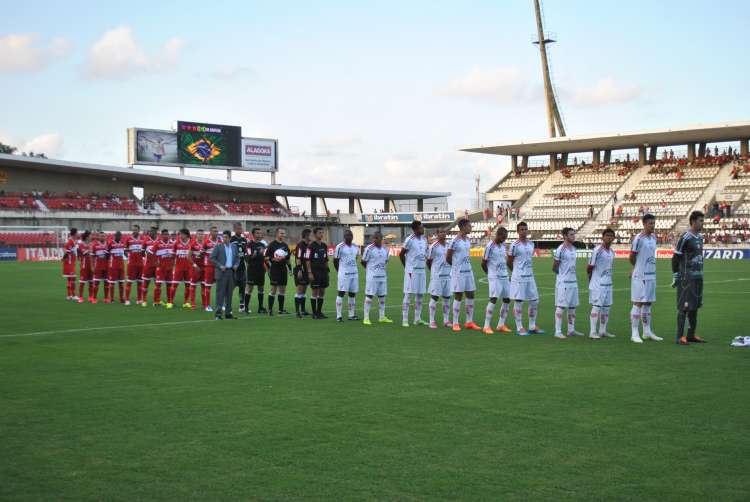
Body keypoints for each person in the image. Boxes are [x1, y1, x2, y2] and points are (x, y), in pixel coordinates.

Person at [673, 211, 707, 345]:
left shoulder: (700, 237)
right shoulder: (685, 237)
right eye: (700, 221)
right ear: (693, 221)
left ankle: (691, 335)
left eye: (703, 221)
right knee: (684, 307)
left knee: (695, 307)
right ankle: (679, 337)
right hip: (687, 277)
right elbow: (676, 256)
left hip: (698, 276)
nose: (702, 223)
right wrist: (676, 274)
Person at [629, 214, 663, 343]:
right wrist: (636, 267)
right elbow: (632, 256)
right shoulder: (638, 238)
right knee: (638, 303)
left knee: (648, 303)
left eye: (654, 223)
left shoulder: (654, 237)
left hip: (651, 274)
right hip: (640, 275)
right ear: (644, 224)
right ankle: (634, 333)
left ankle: (647, 331)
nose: (653, 225)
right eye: (650, 223)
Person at [507, 222, 543, 336]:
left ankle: (532, 326)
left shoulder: (531, 244)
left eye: (525, 229)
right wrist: (516, 273)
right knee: (519, 301)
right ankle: (519, 327)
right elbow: (509, 261)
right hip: (519, 277)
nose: (524, 231)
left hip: (530, 276)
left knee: (535, 300)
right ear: (518, 231)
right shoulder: (514, 245)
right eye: (521, 229)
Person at [446, 218, 481, 332]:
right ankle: (455, 322)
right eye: (469, 226)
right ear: (463, 227)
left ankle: (469, 321)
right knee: (458, 296)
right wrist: (455, 267)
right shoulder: (454, 241)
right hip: (458, 273)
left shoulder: (467, 240)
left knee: (471, 295)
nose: (470, 228)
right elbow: (448, 257)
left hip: (468, 271)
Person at [552, 228, 583, 339]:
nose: (573, 236)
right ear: (565, 236)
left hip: (573, 282)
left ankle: (571, 330)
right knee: (561, 306)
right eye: (571, 234)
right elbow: (554, 267)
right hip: (564, 283)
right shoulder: (561, 249)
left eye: (574, 234)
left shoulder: (573, 248)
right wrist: (561, 276)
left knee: (572, 306)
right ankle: (558, 331)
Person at [481, 226, 512, 334]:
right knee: (493, 299)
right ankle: (486, 326)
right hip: (495, 277)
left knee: (507, 299)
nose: (504, 239)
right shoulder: (490, 246)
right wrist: (490, 274)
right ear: (498, 235)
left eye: (506, 237)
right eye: (503, 237)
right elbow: (483, 263)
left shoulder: (503, 246)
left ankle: (501, 324)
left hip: (504, 276)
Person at [587, 228, 616, 339]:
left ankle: (603, 331)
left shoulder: (612, 252)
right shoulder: (597, 250)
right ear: (602, 237)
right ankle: (593, 332)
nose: (609, 237)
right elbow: (589, 267)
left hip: (608, 284)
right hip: (598, 284)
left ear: (613, 238)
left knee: (606, 307)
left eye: (611, 236)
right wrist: (591, 280)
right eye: (607, 235)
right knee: (597, 306)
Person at [399, 220, 428, 327]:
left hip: (421, 270)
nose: (423, 229)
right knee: (408, 294)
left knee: (420, 295)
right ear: (415, 229)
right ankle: (405, 320)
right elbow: (401, 254)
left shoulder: (424, 239)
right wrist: (407, 267)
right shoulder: (409, 240)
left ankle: (417, 318)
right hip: (412, 271)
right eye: (421, 227)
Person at [361, 231, 391, 325]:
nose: (374, 240)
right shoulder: (369, 249)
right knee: (369, 296)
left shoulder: (385, 249)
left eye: (376, 238)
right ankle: (366, 318)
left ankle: (382, 317)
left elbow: (385, 261)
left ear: (381, 239)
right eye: (373, 238)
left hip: (382, 276)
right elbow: (363, 261)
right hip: (372, 277)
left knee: (382, 297)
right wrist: (370, 270)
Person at [210, 230, 240, 320]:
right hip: (222, 272)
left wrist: (236, 265)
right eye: (223, 237)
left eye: (226, 237)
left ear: (230, 238)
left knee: (229, 294)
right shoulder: (218, 247)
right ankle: (218, 314)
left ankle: (228, 313)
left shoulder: (234, 247)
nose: (224, 239)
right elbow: (211, 258)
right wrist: (220, 266)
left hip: (231, 272)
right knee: (220, 294)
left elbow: (238, 258)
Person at [426, 228, 452, 329]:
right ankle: (431, 321)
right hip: (437, 276)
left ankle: (446, 320)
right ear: (437, 234)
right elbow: (429, 261)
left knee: (447, 298)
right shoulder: (433, 246)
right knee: (435, 297)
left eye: (444, 232)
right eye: (441, 232)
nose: (443, 234)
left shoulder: (449, 245)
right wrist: (434, 272)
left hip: (448, 275)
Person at [333, 229, 360, 322]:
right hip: (344, 274)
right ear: (344, 237)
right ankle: (339, 316)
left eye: (351, 235)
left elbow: (355, 258)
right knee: (341, 293)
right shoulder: (340, 247)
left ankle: (351, 315)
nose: (349, 237)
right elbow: (335, 260)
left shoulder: (356, 247)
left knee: (352, 294)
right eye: (347, 235)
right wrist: (339, 271)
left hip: (354, 273)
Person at [265, 228, 292, 315]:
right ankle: (270, 310)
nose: (283, 235)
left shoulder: (285, 245)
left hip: (283, 270)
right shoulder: (272, 245)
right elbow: (265, 258)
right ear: (277, 234)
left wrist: (290, 269)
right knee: (273, 290)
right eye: (281, 233)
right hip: (275, 269)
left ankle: (281, 310)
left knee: (282, 290)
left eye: (283, 233)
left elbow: (288, 259)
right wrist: (273, 259)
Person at [306, 227, 330, 319]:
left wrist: (327, 269)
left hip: (323, 271)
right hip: (315, 271)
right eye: (320, 233)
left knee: (322, 292)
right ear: (315, 234)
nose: (321, 234)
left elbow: (326, 258)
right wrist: (309, 272)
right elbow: (307, 260)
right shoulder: (311, 246)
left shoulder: (324, 245)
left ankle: (319, 312)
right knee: (315, 292)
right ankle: (314, 313)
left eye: (322, 233)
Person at [168, 228, 194, 309]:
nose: (180, 236)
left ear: (186, 235)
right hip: (178, 268)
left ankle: (185, 302)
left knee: (188, 285)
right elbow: (172, 256)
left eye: (181, 234)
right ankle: (170, 302)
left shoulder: (192, 242)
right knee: (174, 285)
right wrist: (172, 266)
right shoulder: (176, 243)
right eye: (179, 234)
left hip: (189, 268)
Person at [149, 229, 175, 307]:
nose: (166, 236)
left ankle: (169, 301)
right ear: (162, 235)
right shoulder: (157, 244)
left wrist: (173, 261)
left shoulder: (172, 244)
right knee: (158, 285)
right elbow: (150, 253)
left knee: (169, 285)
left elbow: (174, 254)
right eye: (165, 234)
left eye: (167, 234)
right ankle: (156, 301)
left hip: (169, 268)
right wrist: (155, 262)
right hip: (161, 268)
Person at [245, 227, 268, 314]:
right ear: (253, 234)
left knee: (261, 289)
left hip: (261, 270)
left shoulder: (263, 245)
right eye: (257, 233)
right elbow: (247, 259)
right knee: (249, 289)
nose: (259, 235)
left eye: (260, 233)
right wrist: (254, 255)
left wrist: (267, 268)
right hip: (252, 270)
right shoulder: (249, 245)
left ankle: (260, 307)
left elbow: (265, 258)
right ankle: (246, 308)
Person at [123, 225, 146, 306]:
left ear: (139, 230)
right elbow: (125, 250)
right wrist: (129, 256)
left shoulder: (143, 239)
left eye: (136, 230)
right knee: (129, 282)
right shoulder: (128, 239)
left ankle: (139, 299)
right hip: (132, 264)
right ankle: (127, 299)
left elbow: (145, 250)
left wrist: (143, 257)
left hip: (140, 263)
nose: (134, 231)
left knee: (140, 282)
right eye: (133, 230)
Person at [293, 229, 312, 317]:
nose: (311, 237)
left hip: (306, 271)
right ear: (306, 236)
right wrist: (299, 270)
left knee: (304, 290)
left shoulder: (308, 245)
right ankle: (297, 312)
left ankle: (303, 310)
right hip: (301, 270)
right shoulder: (301, 245)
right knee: (300, 290)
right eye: (310, 235)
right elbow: (298, 258)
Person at [230, 223, 249, 311]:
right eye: (238, 228)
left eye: (240, 229)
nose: (239, 230)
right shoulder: (231, 239)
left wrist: (247, 260)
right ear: (234, 229)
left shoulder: (244, 240)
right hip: (234, 267)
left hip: (242, 266)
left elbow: (245, 252)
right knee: (231, 286)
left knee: (242, 287)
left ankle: (242, 305)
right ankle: (226, 304)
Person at [200, 227, 220, 312]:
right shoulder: (206, 242)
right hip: (209, 267)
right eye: (214, 231)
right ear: (210, 232)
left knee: (220, 286)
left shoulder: (220, 242)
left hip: (218, 267)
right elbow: (201, 254)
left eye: (217, 231)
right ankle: (207, 305)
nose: (216, 233)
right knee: (208, 286)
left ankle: (220, 304)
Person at [139, 226, 159, 306]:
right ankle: (144, 300)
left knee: (157, 284)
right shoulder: (146, 240)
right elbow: (142, 252)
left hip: (157, 265)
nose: (152, 232)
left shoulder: (159, 240)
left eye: (153, 231)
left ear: (156, 232)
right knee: (146, 283)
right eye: (151, 231)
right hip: (148, 265)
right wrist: (146, 260)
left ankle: (156, 301)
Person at [107, 231, 126, 303]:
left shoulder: (122, 243)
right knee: (112, 282)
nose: (119, 237)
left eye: (120, 236)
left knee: (121, 282)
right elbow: (107, 254)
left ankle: (121, 299)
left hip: (121, 265)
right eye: (118, 235)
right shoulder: (111, 243)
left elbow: (124, 253)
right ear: (115, 236)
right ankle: (111, 299)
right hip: (113, 265)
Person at [188, 229, 206, 310]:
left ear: (204, 235)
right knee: (193, 285)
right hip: (195, 268)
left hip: (204, 267)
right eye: (199, 234)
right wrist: (195, 265)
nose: (200, 235)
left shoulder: (205, 244)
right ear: (196, 235)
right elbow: (188, 257)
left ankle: (204, 304)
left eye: (202, 234)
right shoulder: (193, 244)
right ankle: (193, 304)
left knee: (204, 286)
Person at [91, 232, 110, 304]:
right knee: (96, 282)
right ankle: (94, 298)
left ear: (105, 237)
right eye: (101, 236)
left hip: (107, 266)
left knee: (106, 282)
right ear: (99, 237)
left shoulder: (108, 245)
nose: (102, 237)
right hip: (98, 266)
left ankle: (106, 298)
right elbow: (92, 257)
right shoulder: (95, 245)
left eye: (103, 236)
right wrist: (92, 266)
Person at [62, 228, 78, 300]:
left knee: (69, 279)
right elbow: (66, 251)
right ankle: (73, 295)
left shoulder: (73, 241)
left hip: (71, 262)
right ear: (74, 234)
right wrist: (63, 258)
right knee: (73, 278)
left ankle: (69, 295)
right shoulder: (70, 241)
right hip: (69, 262)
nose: (78, 234)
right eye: (77, 233)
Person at [77, 231, 93, 303]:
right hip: (84, 265)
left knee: (91, 282)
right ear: (87, 237)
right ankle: (80, 297)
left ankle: (90, 297)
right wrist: (90, 250)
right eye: (90, 236)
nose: (91, 237)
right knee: (82, 282)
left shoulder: (91, 244)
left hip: (91, 265)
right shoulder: (81, 244)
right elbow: (84, 252)